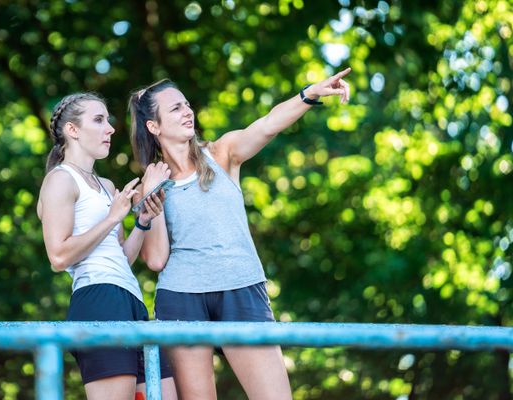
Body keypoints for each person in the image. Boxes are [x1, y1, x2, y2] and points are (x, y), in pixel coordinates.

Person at [128, 68, 351, 399]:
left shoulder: (221, 152)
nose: (187, 111)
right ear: (153, 126)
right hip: (182, 297)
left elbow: (268, 124)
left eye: (187, 105)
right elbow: (156, 259)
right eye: (175, 108)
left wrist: (310, 94)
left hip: (242, 288)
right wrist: (150, 196)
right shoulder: (148, 184)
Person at [37, 92, 177, 400]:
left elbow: (122, 258)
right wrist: (113, 217)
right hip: (97, 299)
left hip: (131, 300)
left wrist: (141, 220)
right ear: (72, 130)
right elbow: (58, 256)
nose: (111, 128)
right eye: (99, 120)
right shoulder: (60, 180)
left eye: (109, 120)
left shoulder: (107, 186)